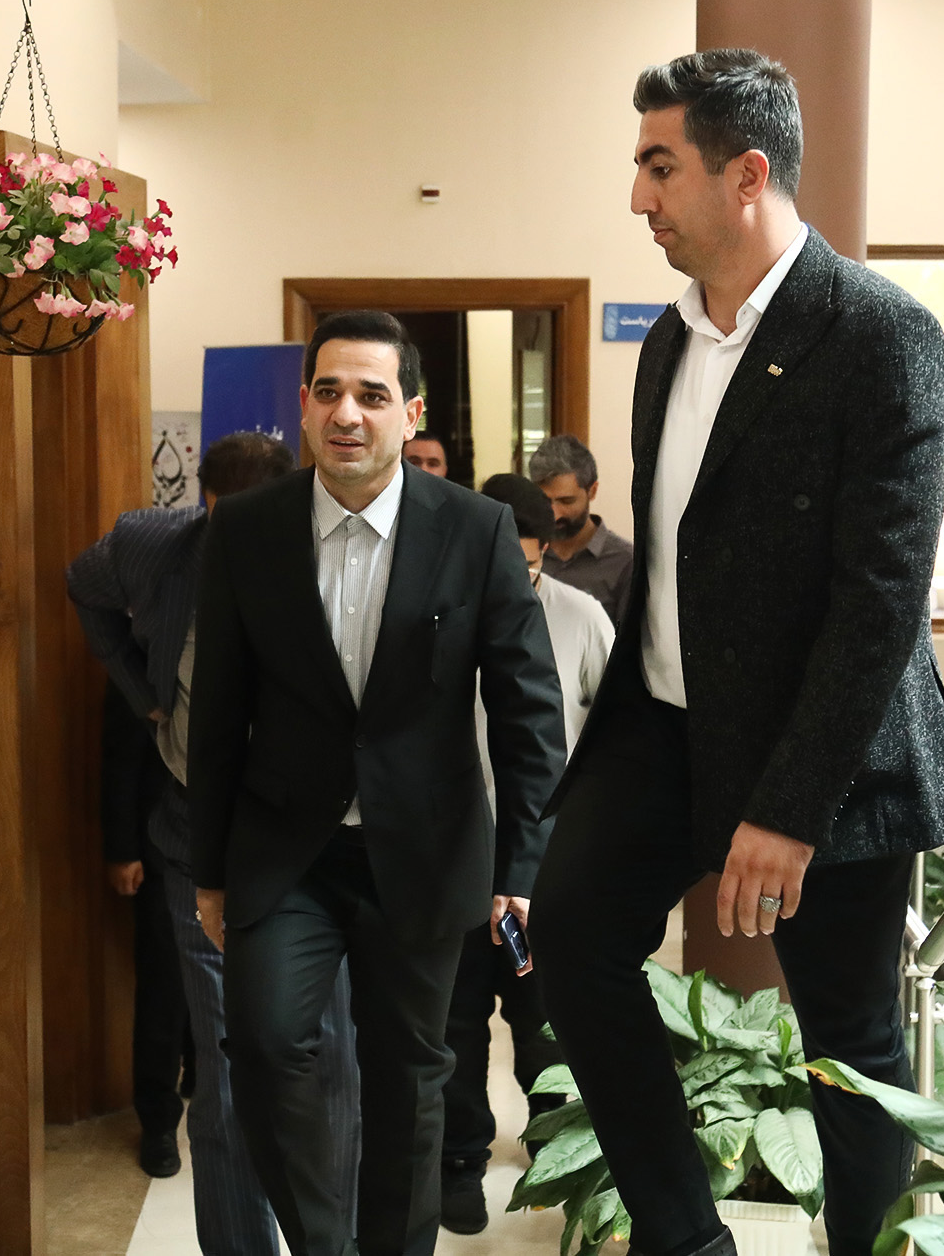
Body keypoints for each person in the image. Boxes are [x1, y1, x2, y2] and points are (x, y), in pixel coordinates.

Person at [531, 50, 944, 1256]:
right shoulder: (667, 341)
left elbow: (880, 601)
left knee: (848, 1041)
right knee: (569, 938)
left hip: (824, 752)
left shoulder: (881, 335)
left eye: (656, 166)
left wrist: (788, 806)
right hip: (661, 727)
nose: (636, 197)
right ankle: (687, 1240)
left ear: (745, 174)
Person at [187, 309, 569, 1256]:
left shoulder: (475, 530)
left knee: (410, 1073)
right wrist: (209, 872)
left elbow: (528, 711)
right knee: (264, 1044)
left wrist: (522, 866)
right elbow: (218, 712)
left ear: (412, 412)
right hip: (288, 850)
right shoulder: (247, 530)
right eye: (328, 392)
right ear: (303, 407)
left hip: (425, 850)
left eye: (371, 393)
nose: (347, 413)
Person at [67, 431, 362, 1256]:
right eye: (218, 518)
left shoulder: (336, 559)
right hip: (197, 841)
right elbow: (83, 585)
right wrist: (142, 691)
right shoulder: (154, 546)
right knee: (227, 1071)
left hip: (314, 853)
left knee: (330, 1062)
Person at [440, 474, 613, 1236]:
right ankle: (458, 1159)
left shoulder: (580, 617)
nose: (516, 581)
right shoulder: (440, 612)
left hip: (547, 857)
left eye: (530, 567)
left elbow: (614, 732)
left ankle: (551, 1148)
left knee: (543, 1015)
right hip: (453, 851)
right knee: (454, 1021)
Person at [97, 681, 195, 1178]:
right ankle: (158, 1121)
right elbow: (120, 759)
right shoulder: (144, 658)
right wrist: (122, 849)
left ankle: (203, 1082)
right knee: (163, 988)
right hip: (162, 850)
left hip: (242, 849)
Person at [528, 434, 635, 623]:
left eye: (566, 501)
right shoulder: (524, 553)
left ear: (592, 491)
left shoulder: (624, 562)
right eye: (544, 500)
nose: (554, 514)